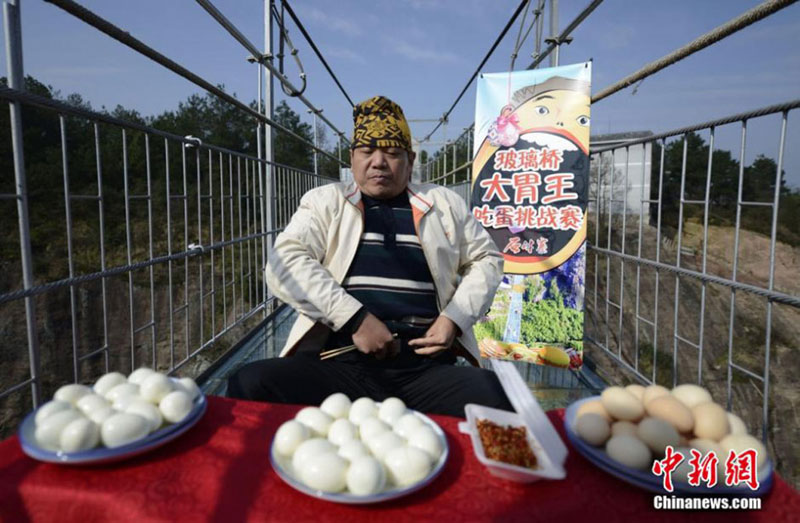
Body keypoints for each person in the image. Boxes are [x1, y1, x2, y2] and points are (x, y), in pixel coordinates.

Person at [227, 96, 512, 416]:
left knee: (497, 394)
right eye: (366, 151)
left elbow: (487, 258)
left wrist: (454, 320)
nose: (378, 162)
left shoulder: (445, 203)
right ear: (352, 158)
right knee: (250, 382)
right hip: (340, 363)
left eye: (392, 153)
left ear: (411, 160)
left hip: (424, 368)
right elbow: (285, 261)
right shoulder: (325, 202)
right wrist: (355, 319)